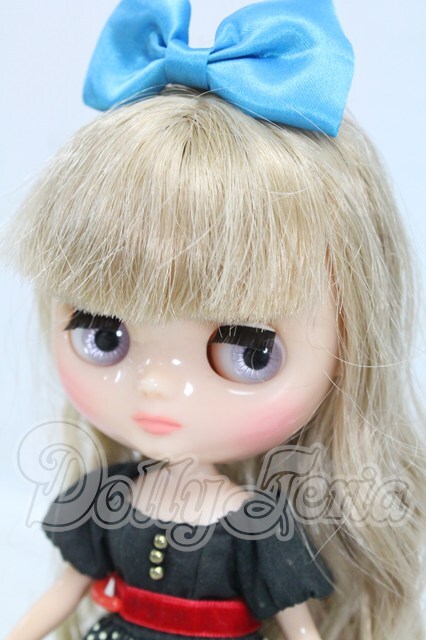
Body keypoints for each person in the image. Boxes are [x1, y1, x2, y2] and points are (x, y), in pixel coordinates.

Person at [5, 1, 425, 639]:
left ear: (349, 343)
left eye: (249, 350)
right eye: (104, 334)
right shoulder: (103, 501)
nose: (156, 385)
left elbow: (299, 628)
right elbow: (63, 595)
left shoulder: (260, 529)